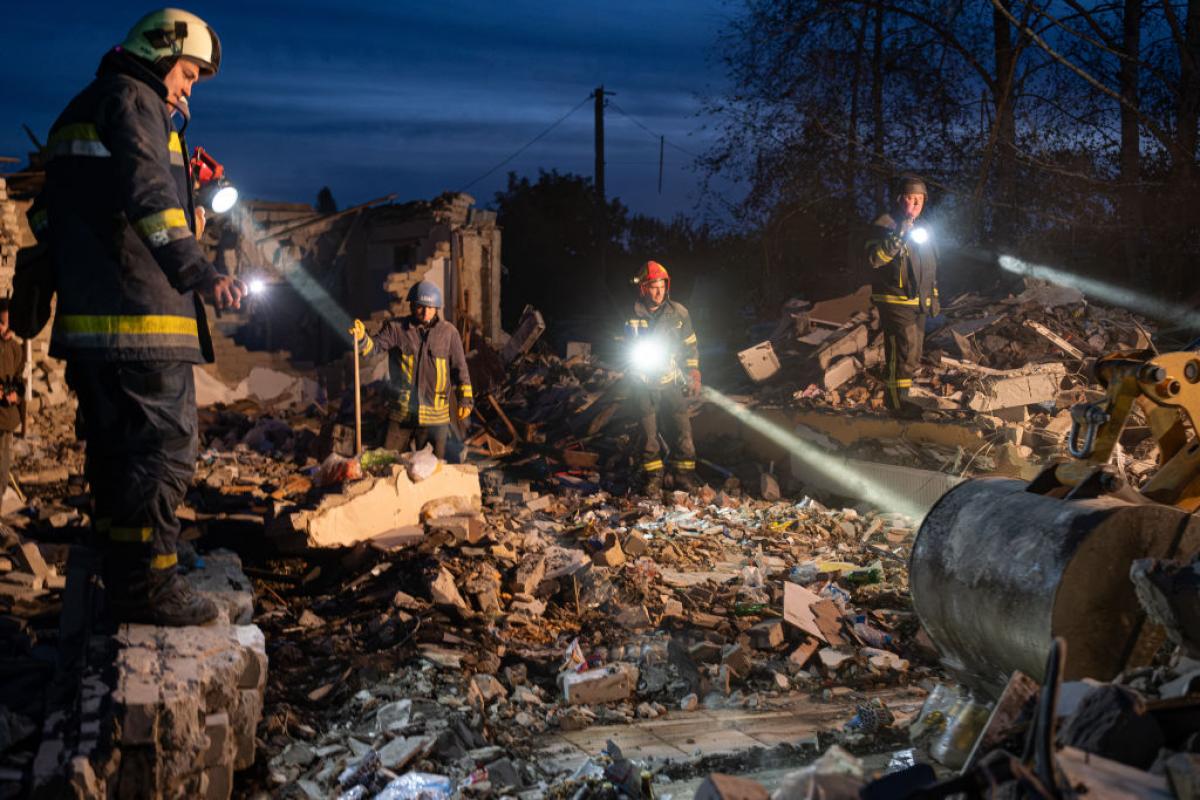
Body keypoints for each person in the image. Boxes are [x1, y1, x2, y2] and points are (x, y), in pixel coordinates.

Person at [35, 9, 244, 626]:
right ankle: (149, 589)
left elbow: (52, 217)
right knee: (162, 453)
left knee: (114, 458)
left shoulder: (82, 105)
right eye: (186, 73)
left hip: (92, 328)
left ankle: (122, 573)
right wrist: (199, 270)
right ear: (157, 53)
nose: (186, 88)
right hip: (143, 326)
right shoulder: (134, 100)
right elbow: (150, 197)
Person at [350, 281, 473, 459]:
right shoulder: (396, 329)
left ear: (437, 308)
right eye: (421, 307)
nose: (425, 312)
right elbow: (373, 348)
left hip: (435, 418)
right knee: (388, 463)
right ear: (412, 306)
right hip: (402, 414)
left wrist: (465, 401)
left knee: (433, 470)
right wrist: (362, 338)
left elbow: (460, 369)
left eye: (430, 308)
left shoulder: (449, 333)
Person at [864, 174, 939, 418]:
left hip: (917, 301)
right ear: (899, 200)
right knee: (902, 350)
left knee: (914, 355)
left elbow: (930, 266)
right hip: (893, 299)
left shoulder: (925, 228)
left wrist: (933, 296)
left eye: (920, 200)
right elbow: (874, 260)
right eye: (910, 199)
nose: (915, 205)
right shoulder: (884, 224)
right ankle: (895, 406)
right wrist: (898, 237)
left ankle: (903, 400)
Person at [625, 260, 701, 495]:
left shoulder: (679, 313)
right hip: (643, 382)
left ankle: (683, 475)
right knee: (649, 434)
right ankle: (654, 477)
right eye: (652, 286)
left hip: (671, 380)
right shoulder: (632, 315)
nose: (658, 292)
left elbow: (691, 346)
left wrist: (694, 373)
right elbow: (623, 346)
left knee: (682, 429)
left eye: (661, 286)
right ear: (643, 289)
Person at [0, 302, 24, 499]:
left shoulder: (16, 350)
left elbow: (19, 382)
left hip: (7, 417)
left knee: (3, 466)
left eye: (7, 323)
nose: (4, 327)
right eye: (0, 323)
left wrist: (16, 396)